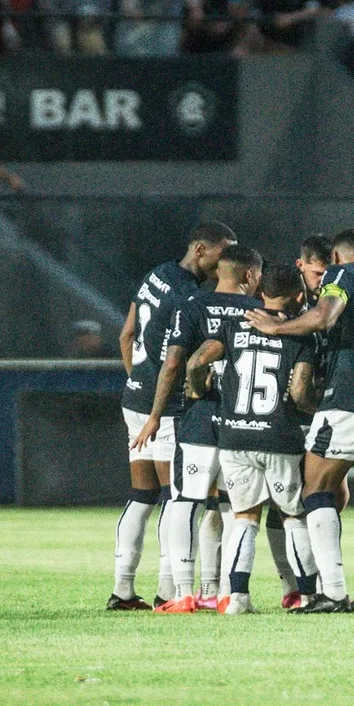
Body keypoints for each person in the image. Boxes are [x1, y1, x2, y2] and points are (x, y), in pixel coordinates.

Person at [241, 231, 354, 614]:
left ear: (335, 256)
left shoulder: (343, 275)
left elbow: (324, 316)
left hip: (349, 398)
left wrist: (275, 328)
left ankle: (332, 592)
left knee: (316, 490)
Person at [113, 221, 234, 611]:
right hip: (162, 409)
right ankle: (168, 591)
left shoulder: (157, 274)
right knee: (175, 498)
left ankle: (123, 590)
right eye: (223, 253)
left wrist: (137, 380)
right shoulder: (188, 297)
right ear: (200, 250)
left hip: (134, 398)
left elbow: (126, 334)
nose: (226, 261)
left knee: (142, 496)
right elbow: (176, 361)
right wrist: (157, 406)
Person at [185, 264, 319, 614]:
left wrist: (198, 390)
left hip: (235, 435)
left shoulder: (234, 325)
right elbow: (300, 392)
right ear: (299, 297)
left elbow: (196, 362)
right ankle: (307, 595)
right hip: (279, 435)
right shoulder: (299, 334)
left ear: (261, 293)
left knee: (244, 517)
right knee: (293, 516)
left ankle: (238, 598)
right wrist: (319, 408)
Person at [296, 234, 332, 300]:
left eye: (329, 274)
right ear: (300, 265)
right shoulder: (285, 293)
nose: (324, 280)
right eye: (318, 274)